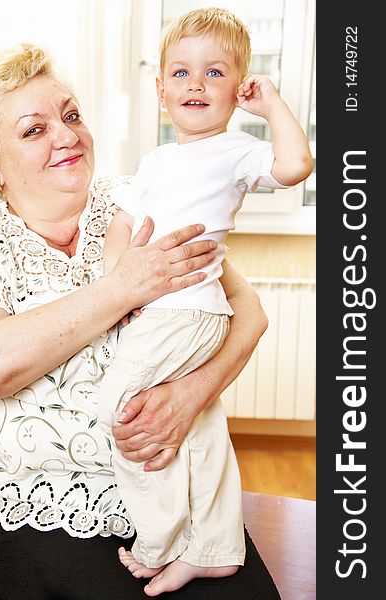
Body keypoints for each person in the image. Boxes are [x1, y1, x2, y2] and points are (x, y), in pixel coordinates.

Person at [0, 42, 281, 600]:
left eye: (70, 116)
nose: (66, 136)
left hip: (174, 501)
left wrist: (190, 397)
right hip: (39, 512)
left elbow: (248, 312)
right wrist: (121, 289)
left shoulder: (137, 202)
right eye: (34, 130)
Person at [98, 6, 313, 597]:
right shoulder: (156, 161)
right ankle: (215, 547)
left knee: (121, 407)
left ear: (237, 88)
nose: (197, 84)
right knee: (198, 426)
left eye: (215, 73)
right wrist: (120, 289)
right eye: (182, 73)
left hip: (189, 309)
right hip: (162, 308)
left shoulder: (236, 149)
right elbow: (124, 223)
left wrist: (270, 106)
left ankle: (159, 540)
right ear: (161, 88)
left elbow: (295, 165)